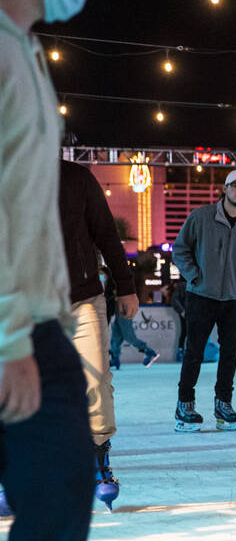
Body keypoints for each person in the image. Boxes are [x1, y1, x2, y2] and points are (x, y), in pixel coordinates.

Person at [0, 0, 99, 541]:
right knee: (62, 475)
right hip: (10, 324)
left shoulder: (24, 51)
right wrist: (9, 337)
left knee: (62, 478)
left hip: (36, 316)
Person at [59, 160, 139, 509]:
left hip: (82, 298)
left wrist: (126, 286)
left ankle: (97, 459)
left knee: (95, 379)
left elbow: (106, 232)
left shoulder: (77, 177)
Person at [172, 169, 236, 431]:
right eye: (235, 185)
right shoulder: (201, 217)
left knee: (230, 354)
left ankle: (223, 404)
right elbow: (180, 249)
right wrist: (194, 277)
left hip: (233, 299)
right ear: (224, 189)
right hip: (201, 295)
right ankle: (185, 404)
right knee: (194, 351)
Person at [108, 291, 157, 369]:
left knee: (128, 335)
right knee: (116, 333)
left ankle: (148, 351)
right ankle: (115, 358)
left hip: (125, 303)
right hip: (118, 303)